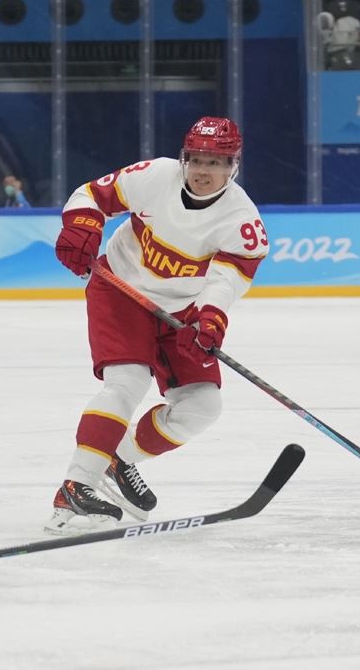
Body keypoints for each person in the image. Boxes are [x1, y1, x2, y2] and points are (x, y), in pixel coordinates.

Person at [47, 117, 268, 534]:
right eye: (196, 159)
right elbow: (91, 194)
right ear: (184, 159)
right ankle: (77, 484)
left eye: (215, 162)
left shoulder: (242, 222)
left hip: (182, 310)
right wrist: (82, 225)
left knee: (202, 406)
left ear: (233, 166)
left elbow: (225, 281)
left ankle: (117, 458)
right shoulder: (155, 176)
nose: (203, 171)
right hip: (121, 290)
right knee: (127, 382)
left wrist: (211, 318)